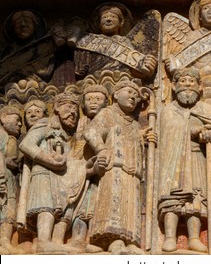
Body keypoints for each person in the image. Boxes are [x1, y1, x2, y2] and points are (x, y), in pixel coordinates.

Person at [83, 79, 156, 254]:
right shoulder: (108, 114)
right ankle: (112, 239)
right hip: (114, 167)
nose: (133, 97)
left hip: (133, 171)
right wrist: (101, 149)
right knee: (113, 203)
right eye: (129, 92)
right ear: (116, 95)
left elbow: (130, 138)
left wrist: (145, 137)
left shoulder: (134, 123)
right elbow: (90, 131)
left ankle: (130, 239)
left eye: (136, 96)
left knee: (131, 205)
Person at [158, 68, 211, 253]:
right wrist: (194, 130)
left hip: (197, 157)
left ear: (200, 86)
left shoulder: (206, 109)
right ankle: (170, 237)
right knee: (172, 198)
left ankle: (194, 237)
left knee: (195, 198)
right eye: (183, 81)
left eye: (192, 81)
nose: (187, 84)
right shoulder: (168, 111)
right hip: (172, 162)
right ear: (173, 86)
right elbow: (169, 133)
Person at [18, 92, 85, 253]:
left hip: (62, 179)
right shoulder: (44, 124)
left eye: (75, 109)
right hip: (43, 173)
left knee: (64, 205)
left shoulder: (68, 136)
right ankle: (43, 241)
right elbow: (26, 144)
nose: (73, 112)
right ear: (56, 108)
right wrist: (48, 160)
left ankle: (57, 242)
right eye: (68, 107)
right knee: (46, 206)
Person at [67, 84, 109, 253]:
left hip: (102, 171)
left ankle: (95, 238)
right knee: (81, 206)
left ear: (106, 103)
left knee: (97, 204)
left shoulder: (109, 120)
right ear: (83, 104)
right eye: (89, 99)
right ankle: (77, 238)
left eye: (98, 99)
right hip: (81, 169)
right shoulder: (80, 124)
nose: (93, 102)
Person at [74, 3, 157, 80]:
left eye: (113, 17)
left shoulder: (125, 42)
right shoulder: (90, 41)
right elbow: (82, 66)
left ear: (121, 23)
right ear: (99, 24)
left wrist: (146, 66)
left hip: (122, 80)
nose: (108, 19)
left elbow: (133, 69)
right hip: (94, 80)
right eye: (104, 17)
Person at [0, 106, 23, 254]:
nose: (20, 124)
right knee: (6, 207)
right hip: (3, 177)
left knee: (10, 209)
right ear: (3, 117)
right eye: (17, 119)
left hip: (10, 178)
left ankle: (5, 241)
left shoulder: (9, 138)